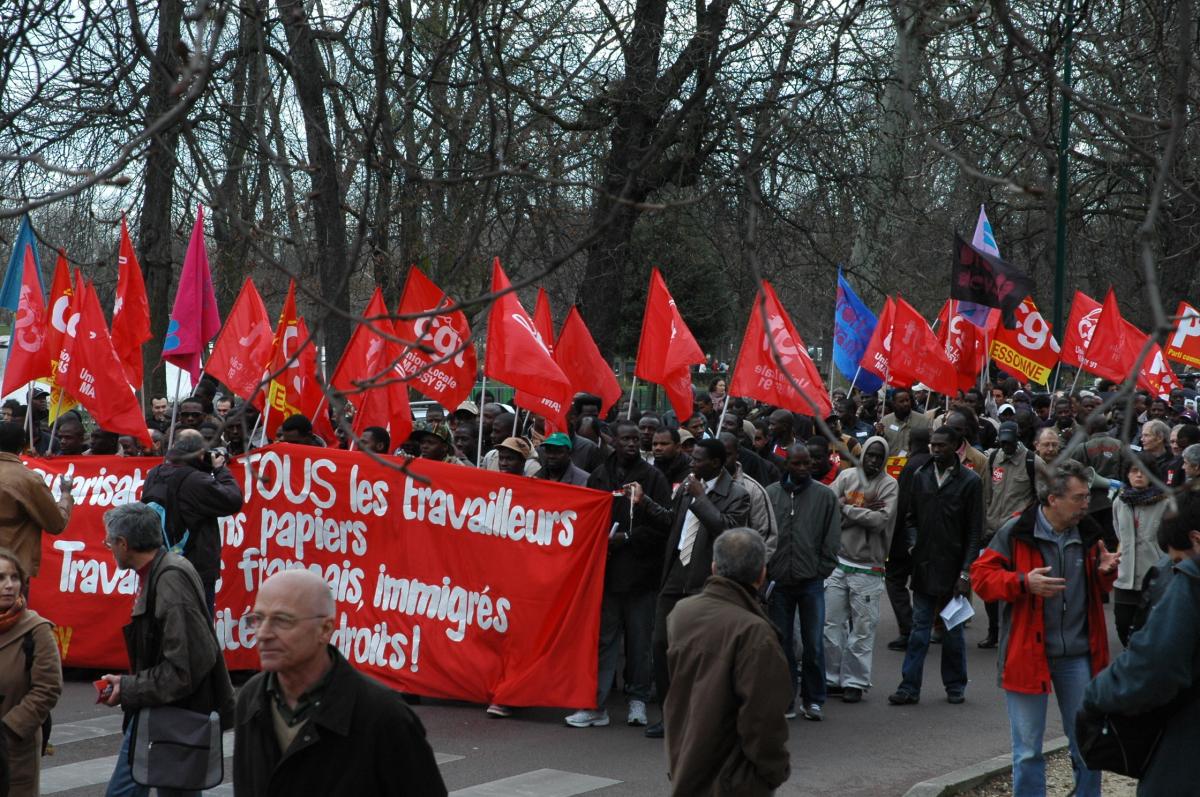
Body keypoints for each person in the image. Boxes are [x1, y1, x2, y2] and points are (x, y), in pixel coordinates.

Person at [971, 460, 1119, 797]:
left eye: (1087, 497)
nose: (1086, 504)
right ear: (1053, 499)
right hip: (1028, 653)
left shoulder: (1088, 531)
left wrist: (1105, 571)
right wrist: (1023, 582)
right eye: (1079, 497)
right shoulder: (1017, 531)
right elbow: (981, 578)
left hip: (1078, 655)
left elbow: (1097, 586)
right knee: (1027, 750)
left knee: (1086, 743)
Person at [232, 569, 446, 796]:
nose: (263, 633)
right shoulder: (252, 698)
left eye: (282, 621)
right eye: (257, 619)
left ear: (325, 629)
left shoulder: (384, 714)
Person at [98, 503, 235, 797]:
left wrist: (128, 687)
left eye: (110, 542)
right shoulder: (164, 569)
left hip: (172, 712)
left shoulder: (170, 579)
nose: (109, 549)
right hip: (165, 709)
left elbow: (184, 668)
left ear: (124, 544)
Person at [1081, 495, 1200, 797]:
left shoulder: (1190, 579)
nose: (1173, 569)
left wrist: (1096, 697)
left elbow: (1154, 666)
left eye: (1177, 561)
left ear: (1196, 540)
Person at [664, 529, 791, 795]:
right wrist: (774, 770)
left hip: (685, 759)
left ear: (713, 566)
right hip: (734, 778)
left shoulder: (682, 613)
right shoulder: (755, 632)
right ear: (761, 574)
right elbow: (763, 720)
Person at [565, 421, 672, 729]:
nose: (631, 444)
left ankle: (637, 700)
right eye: (625, 438)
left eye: (636, 439)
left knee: (639, 643)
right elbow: (586, 516)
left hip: (641, 576)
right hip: (607, 574)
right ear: (613, 440)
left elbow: (665, 526)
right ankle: (596, 705)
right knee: (604, 640)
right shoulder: (600, 475)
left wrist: (628, 538)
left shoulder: (653, 477)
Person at [643, 438, 750, 738]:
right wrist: (644, 502)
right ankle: (671, 716)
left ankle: (702, 719)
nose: (691, 463)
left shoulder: (737, 494)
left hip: (706, 579)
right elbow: (671, 520)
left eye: (698, 459)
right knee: (661, 644)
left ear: (715, 463)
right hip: (675, 574)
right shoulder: (688, 486)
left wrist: (702, 499)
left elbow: (728, 531)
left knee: (701, 654)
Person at [888, 425, 982, 706]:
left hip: (954, 569)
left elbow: (974, 532)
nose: (936, 450)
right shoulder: (921, 476)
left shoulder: (970, 482)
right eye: (933, 445)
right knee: (919, 630)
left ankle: (955, 685)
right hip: (925, 566)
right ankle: (909, 687)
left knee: (953, 631)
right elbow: (910, 519)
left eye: (942, 445)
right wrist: (914, 545)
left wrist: (966, 572)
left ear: (956, 446)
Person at [765, 444, 841, 721]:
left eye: (806, 463)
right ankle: (786, 698)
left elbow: (832, 536)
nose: (802, 468)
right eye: (796, 463)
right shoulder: (770, 493)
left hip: (811, 581)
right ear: (786, 464)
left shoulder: (825, 495)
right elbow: (763, 531)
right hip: (779, 582)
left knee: (813, 643)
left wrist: (823, 569)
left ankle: (814, 699)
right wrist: (768, 569)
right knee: (782, 643)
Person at [823, 436, 897, 703]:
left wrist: (846, 507)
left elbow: (879, 521)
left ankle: (855, 681)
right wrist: (861, 508)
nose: (873, 461)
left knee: (863, 629)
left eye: (879, 456)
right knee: (831, 624)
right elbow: (828, 507)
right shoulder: (846, 476)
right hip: (839, 562)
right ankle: (832, 677)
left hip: (868, 567)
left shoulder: (889, 485)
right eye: (870, 455)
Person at [141, 430, 244, 616]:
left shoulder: (154, 473)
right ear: (199, 453)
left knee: (166, 622)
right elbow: (233, 500)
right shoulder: (195, 480)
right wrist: (220, 469)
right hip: (194, 570)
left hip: (161, 565)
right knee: (198, 626)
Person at [0, 548, 62, 797]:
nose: (9, 585)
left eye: (14, 577)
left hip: (14, 748)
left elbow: (48, 688)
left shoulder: (36, 629)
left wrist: (9, 729)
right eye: (1, 578)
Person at [978, 421, 1041, 649]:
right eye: (1003, 443)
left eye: (1009, 443)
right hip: (992, 533)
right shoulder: (994, 458)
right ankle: (993, 631)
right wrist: (983, 525)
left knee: (1014, 585)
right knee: (990, 583)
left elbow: (1042, 498)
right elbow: (986, 494)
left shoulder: (1033, 462)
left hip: (1017, 534)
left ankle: (1015, 631)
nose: (1006, 447)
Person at [0, 422, 74, 592]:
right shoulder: (28, 480)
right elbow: (56, 524)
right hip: (11, 575)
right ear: (24, 445)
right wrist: (66, 495)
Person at [1111, 457, 1169, 647]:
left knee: (1153, 629)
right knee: (1122, 625)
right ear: (1127, 474)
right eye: (1134, 470)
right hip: (1125, 577)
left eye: (1144, 471)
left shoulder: (1165, 502)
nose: (1139, 475)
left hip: (1154, 576)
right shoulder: (1119, 501)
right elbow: (1119, 533)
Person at [885, 427, 931, 651]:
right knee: (923, 585)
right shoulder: (933, 463)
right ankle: (922, 629)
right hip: (929, 534)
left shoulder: (911, 466)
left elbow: (902, 504)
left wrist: (893, 535)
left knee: (895, 580)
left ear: (910, 442)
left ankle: (909, 629)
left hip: (906, 536)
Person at [876, 389, 930, 455]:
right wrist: (879, 434)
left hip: (913, 460)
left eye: (907, 400)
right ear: (894, 403)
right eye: (901, 401)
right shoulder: (885, 421)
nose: (906, 404)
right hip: (891, 460)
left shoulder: (923, 420)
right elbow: (879, 445)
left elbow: (930, 443)